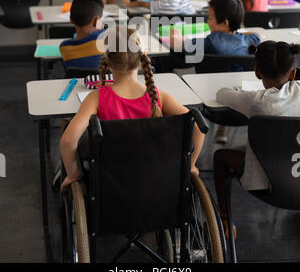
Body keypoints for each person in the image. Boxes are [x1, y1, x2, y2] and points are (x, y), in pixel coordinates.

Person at [60, 28, 205, 192]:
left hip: (112, 181)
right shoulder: (158, 97)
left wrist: (73, 175)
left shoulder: (96, 97)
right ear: (142, 57)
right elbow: (199, 128)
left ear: (108, 60)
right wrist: (191, 166)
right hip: (158, 179)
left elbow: (67, 141)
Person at [213, 41, 300, 237]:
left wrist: (241, 90)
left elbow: (221, 94)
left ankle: (226, 222)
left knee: (220, 156)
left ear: (257, 72)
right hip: (297, 179)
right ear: (294, 73)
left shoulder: (255, 101)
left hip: (264, 185)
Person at [170, 0, 264, 144]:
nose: (207, 22)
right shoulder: (252, 42)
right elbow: (258, 34)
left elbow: (177, 45)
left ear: (225, 22)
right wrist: (235, 34)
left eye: (210, 18)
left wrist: (175, 33)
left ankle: (216, 132)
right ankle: (222, 131)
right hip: (246, 108)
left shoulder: (209, 43)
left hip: (211, 104)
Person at [59, 0, 106, 69]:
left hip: (79, 81)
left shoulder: (65, 48)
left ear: (70, 19)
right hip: (108, 80)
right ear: (96, 20)